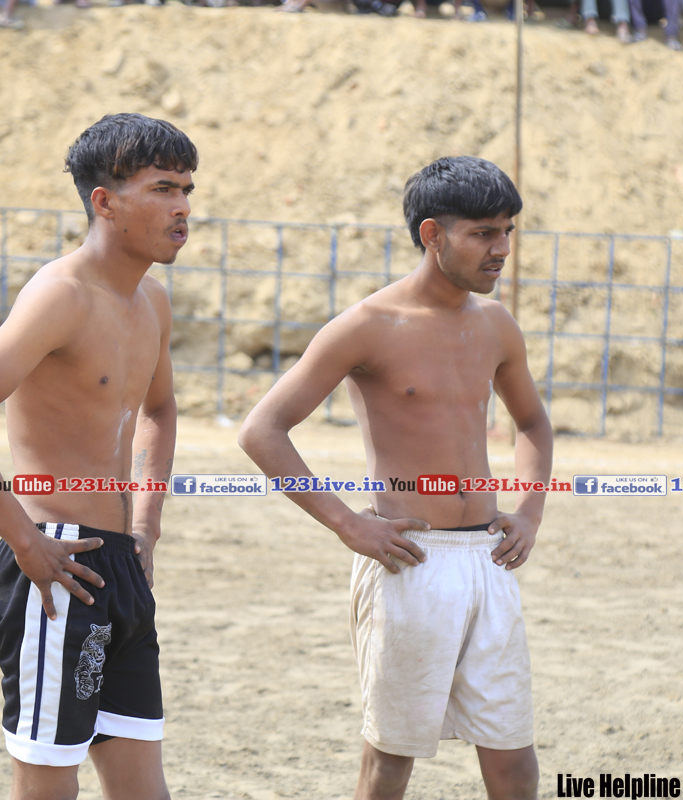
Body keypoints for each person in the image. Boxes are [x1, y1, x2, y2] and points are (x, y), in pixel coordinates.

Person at [239, 156, 552, 800]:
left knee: (514, 761)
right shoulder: (368, 326)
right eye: (483, 233)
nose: (501, 249)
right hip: (409, 562)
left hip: (487, 561)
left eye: (508, 231)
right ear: (432, 234)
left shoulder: (495, 325)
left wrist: (528, 512)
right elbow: (262, 430)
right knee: (390, 762)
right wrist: (347, 524)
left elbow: (532, 423)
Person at [0, 113, 195, 800]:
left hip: (120, 564)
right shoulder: (61, 295)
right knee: (49, 786)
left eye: (187, 189)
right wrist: (24, 540)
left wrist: (147, 523)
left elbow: (160, 411)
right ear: (105, 202)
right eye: (163, 189)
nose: (183, 208)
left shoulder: (152, 301)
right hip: (57, 563)